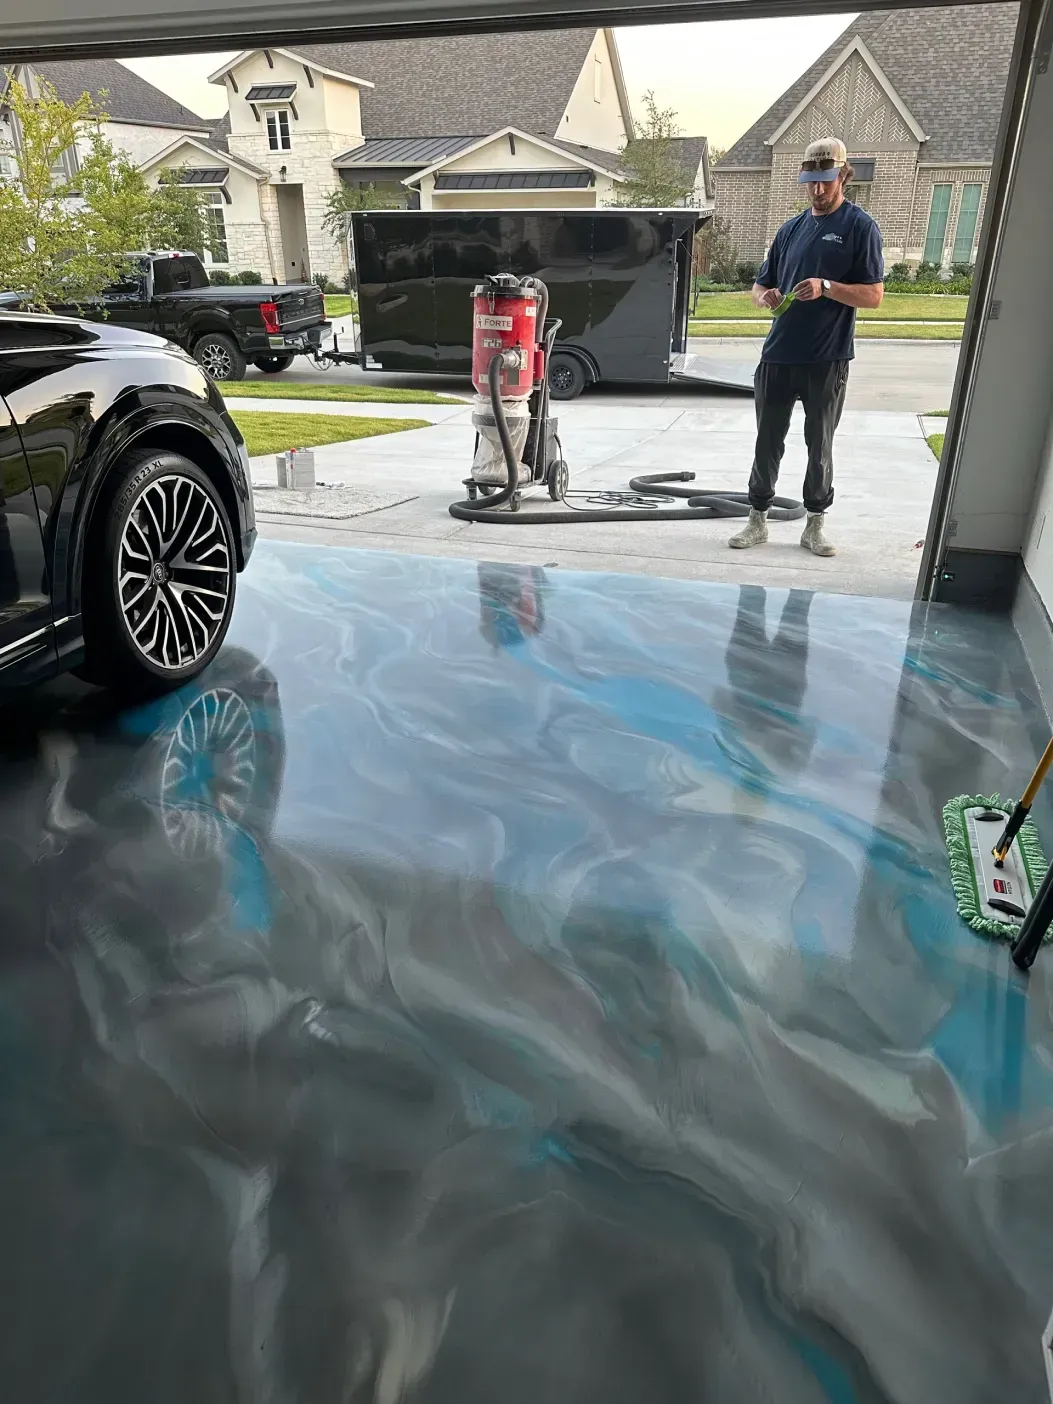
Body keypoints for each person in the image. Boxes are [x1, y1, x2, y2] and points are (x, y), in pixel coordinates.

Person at [729, 137, 884, 557]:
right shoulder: (790, 230)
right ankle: (757, 520)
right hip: (778, 355)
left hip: (826, 357)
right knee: (767, 440)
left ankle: (814, 525)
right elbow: (759, 286)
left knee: (820, 444)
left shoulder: (860, 227)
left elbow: (873, 295)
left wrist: (827, 286)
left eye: (826, 181)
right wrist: (765, 297)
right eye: (811, 182)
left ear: (843, 176)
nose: (818, 190)